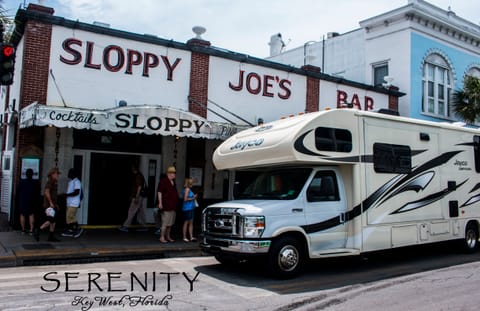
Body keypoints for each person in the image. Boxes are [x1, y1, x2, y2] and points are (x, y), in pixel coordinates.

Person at [119, 164, 147, 232]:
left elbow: (139, 186)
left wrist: (136, 197)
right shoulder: (139, 175)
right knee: (140, 212)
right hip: (140, 196)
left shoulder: (138, 176)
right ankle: (144, 226)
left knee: (131, 211)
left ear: (133, 169)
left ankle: (126, 226)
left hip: (138, 196)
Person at [37, 167, 61, 242]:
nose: (58, 175)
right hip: (49, 205)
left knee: (53, 221)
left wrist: (55, 204)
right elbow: (46, 192)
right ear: (52, 174)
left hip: (52, 204)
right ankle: (38, 230)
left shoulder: (54, 181)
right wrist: (50, 202)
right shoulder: (51, 181)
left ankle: (51, 236)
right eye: (57, 173)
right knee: (51, 220)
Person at [157, 166, 179, 243]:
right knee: (165, 223)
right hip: (166, 205)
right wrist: (160, 203)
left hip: (173, 206)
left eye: (174, 173)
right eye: (173, 173)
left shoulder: (173, 182)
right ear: (169, 173)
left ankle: (168, 236)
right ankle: (162, 237)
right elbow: (159, 192)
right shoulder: (163, 181)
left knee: (170, 223)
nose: (174, 175)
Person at [61, 168, 84, 238]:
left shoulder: (76, 181)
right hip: (69, 203)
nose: (68, 174)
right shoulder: (71, 181)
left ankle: (77, 229)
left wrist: (66, 195)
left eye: (70, 173)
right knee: (71, 217)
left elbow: (77, 192)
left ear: (73, 174)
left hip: (74, 203)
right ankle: (72, 230)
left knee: (69, 217)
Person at [17, 168, 40, 235]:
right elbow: (38, 191)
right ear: (32, 174)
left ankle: (23, 230)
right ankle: (31, 230)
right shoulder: (35, 182)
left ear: (26, 174)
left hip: (23, 200)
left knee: (22, 214)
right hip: (32, 200)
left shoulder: (22, 182)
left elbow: (18, 191)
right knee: (31, 214)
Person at [181, 178, 198, 242]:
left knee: (191, 222)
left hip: (191, 208)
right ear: (189, 184)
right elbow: (185, 199)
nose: (192, 184)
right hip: (187, 208)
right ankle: (184, 237)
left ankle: (191, 237)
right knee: (186, 222)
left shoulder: (187, 189)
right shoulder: (187, 189)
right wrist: (193, 197)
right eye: (192, 183)